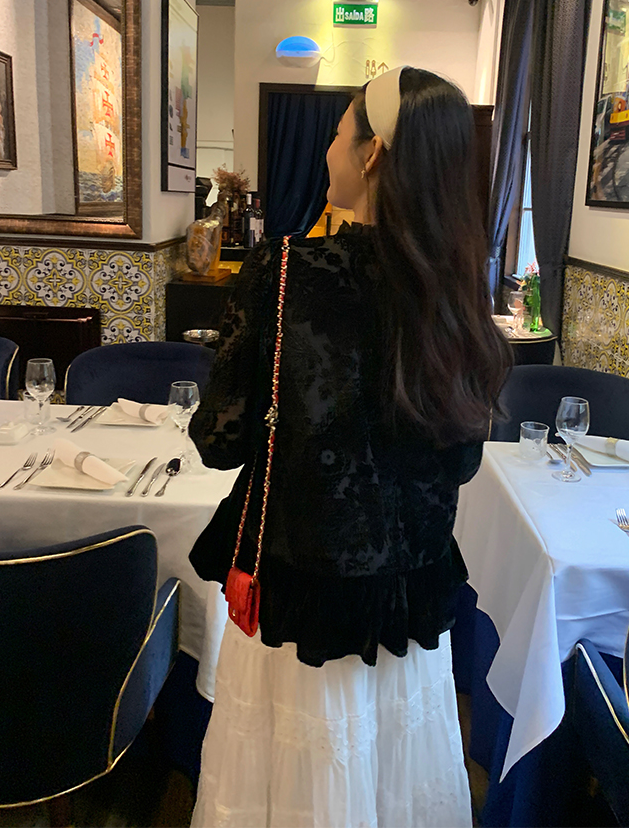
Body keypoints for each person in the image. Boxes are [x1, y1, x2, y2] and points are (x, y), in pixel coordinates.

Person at [188, 65, 513, 828]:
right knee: (395, 778)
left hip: (299, 592)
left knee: (297, 775)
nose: (328, 150)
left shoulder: (283, 273)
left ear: (371, 154)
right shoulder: (458, 291)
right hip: (406, 600)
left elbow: (221, 442)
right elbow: (462, 459)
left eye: (339, 135)